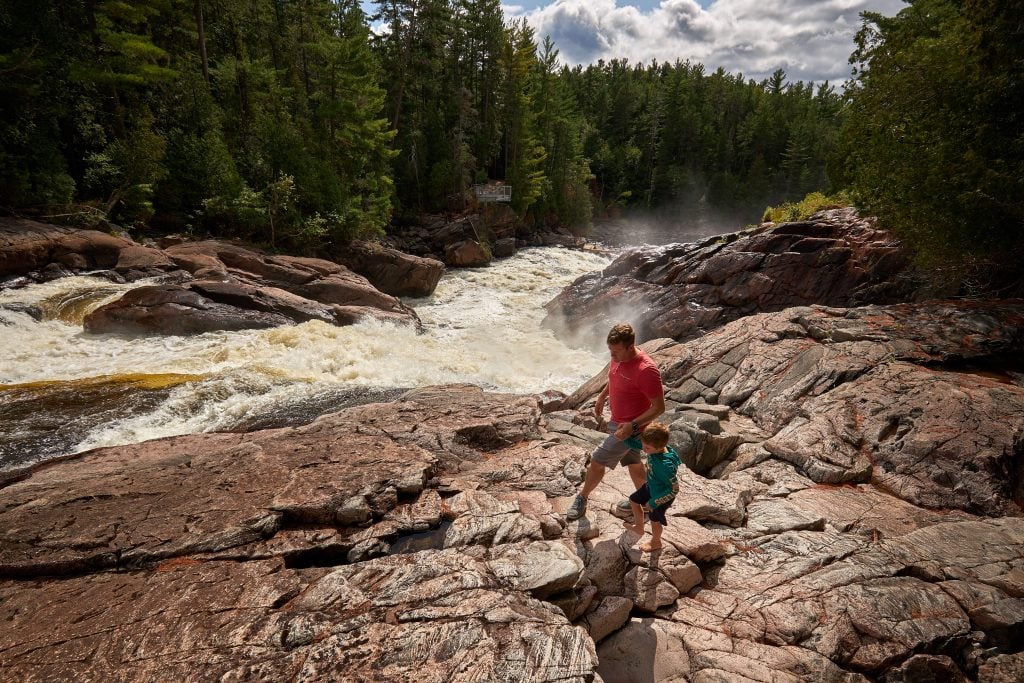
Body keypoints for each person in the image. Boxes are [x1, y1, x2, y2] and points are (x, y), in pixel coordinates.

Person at [566, 323, 665, 522]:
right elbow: (615, 377)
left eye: (616, 352)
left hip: (629, 430)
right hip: (617, 421)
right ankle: (648, 503)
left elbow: (659, 407)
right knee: (635, 465)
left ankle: (582, 498)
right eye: (610, 351)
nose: (612, 356)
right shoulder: (617, 357)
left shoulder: (646, 370)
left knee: (597, 460)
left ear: (630, 346)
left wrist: (632, 426)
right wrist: (603, 396)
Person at [622, 422, 680, 551]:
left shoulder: (665, 465)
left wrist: (654, 502)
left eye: (647, 448)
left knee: (655, 520)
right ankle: (639, 526)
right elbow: (639, 445)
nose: (644, 449)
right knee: (634, 500)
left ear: (660, 448)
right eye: (644, 444)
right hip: (652, 485)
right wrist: (625, 438)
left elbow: (674, 489)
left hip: (662, 495)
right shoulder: (654, 446)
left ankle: (656, 542)